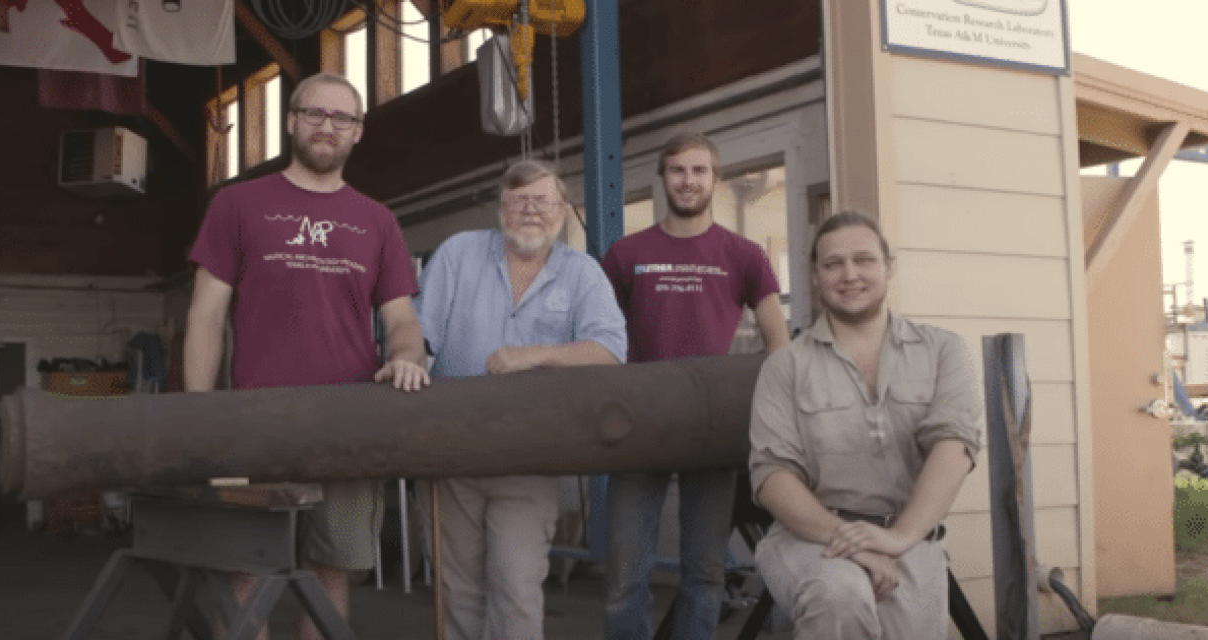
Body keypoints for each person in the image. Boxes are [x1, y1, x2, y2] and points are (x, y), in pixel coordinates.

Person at [185, 72, 429, 640]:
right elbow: (205, 315)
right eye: (314, 114)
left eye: (341, 118)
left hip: (346, 428)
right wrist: (196, 415)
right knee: (243, 573)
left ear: (358, 132)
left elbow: (401, 321)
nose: (327, 126)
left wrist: (406, 357)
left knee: (331, 574)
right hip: (251, 425)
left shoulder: (377, 220)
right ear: (291, 121)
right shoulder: (237, 204)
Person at [415, 159, 627, 640]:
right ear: (500, 208)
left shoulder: (583, 274)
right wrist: (407, 360)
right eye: (520, 200)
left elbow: (610, 351)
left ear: (563, 210)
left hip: (530, 460)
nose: (532, 210)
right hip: (452, 452)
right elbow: (419, 334)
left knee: (516, 589)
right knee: (457, 590)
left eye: (544, 200)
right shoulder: (457, 254)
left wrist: (530, 355)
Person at [748, 212, 982, 639]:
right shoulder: (786, 366)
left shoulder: (944, 351)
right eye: (833, 264)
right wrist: (850, 541)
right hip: (812, 538)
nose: (849, 274)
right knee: (840, 595)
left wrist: (899, 538)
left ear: (887, 267)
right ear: (816, 276)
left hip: (912, 541)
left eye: (863, 260)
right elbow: (772, 476)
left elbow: (954, 447)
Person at [601, 132, 790, 639]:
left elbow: (780, 347)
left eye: (699, 171)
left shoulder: (744, 254)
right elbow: (597, 340)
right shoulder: (625, 254)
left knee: (704, 574)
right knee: (624, 577)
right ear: (662, 179)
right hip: (638, 427)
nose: (688, 180)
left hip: (713, 429)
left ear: (716, 179)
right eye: (678, 170)